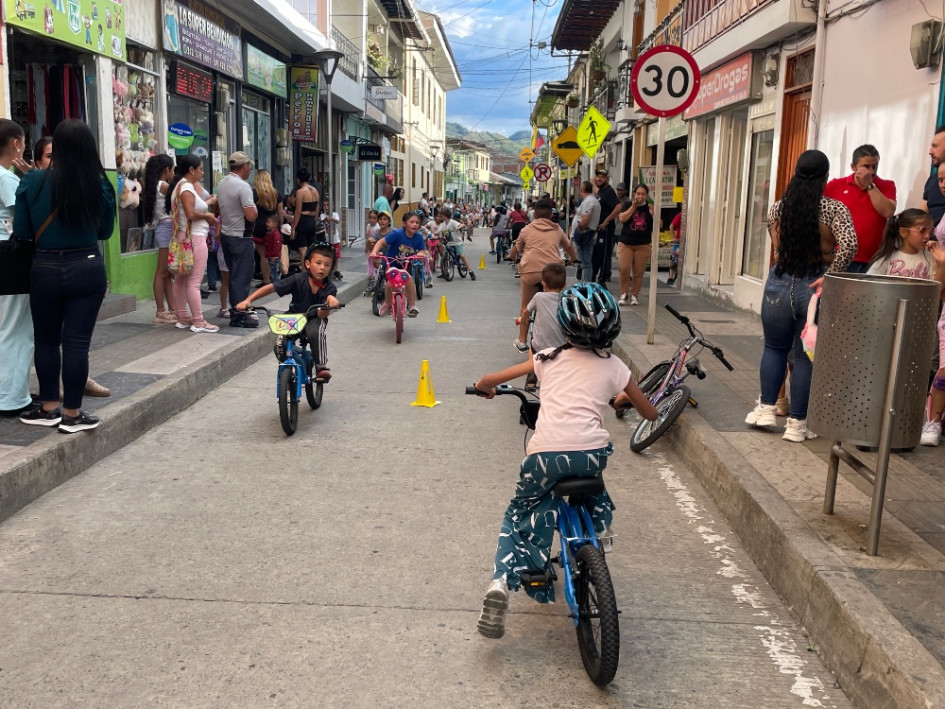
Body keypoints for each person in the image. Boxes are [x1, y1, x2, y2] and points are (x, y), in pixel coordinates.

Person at [471, 283, 658, 638]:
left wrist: (486, 387)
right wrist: (624, 398)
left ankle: (500, 583)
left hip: (545, 456)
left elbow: (489, 379)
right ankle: (599, 532)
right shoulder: (616, 366)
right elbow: (649, 412)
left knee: (521, 510)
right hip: (590, 457)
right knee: (592, 488)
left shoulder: (547, 358)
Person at [745, 149, 857, 443]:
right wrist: (829, 273)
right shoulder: (835, 210)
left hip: (780, 281)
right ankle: (797, 425)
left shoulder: (779, 208)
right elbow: (849, 245)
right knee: (806, 356)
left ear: (795, 173)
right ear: (826, 177)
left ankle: (767, 408)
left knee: (774, 348)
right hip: (815, 285)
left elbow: (777, 245)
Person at [15, 119, 116, 433]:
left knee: (45, 341)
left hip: (44, 268)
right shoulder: (99, 184)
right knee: (76, 343)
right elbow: (105, 230)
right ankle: (72, 414)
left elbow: (23, 231)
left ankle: (48, 409)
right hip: (87, 266)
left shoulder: (33, 181)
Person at [864, 210, 945, 445]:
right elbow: (871, 288)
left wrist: (940, 263)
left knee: (910, 382)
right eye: (921, 230)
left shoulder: (930, 258)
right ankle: (873, 428)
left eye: (930, 230)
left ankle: (902, 431)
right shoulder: (886, 259)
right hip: (887, 330)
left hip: (918, 331)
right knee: (883, 378)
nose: (927, 235)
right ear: (902, 232)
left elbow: (937, 291)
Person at [236, 242, 339, 381]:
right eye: (318, 263)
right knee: (280, 344)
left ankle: (320, 367)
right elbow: (271, 287)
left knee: (316, 332)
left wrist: (329, 304)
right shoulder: (297, 279)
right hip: (294, 316)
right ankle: (289, 363)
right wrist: (248, 300)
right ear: (308, 264)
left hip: (314, 318)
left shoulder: (329, 288)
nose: (322, 268)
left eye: (327, 265)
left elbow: (321, 314)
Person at [0, 119, 34, 418]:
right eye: (23, 142)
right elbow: (27, 214)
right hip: (9, 258)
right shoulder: (8, 180)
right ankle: (12, 398)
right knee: (16, 328)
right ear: (15, 144)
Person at [167, 154, 221, 332]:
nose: (203, 173)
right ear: (191, 170)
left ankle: (183, 317)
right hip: (194, 239)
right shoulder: (187, 187)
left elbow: (187, 212)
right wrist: (208, 216)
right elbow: (191, 213)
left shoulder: (179, 186)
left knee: (181, 279)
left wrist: (206, 205)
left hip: (183, 237)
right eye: (201, 169)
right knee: (194, 282)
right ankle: (198, 321)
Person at [823, 144, 896, 272]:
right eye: (866, 166)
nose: (871, 171)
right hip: (841, 259)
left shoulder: (887, 186)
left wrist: (870, 185)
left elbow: (888, 212)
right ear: (853, 167)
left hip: (874, 261)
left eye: (875, 166)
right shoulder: (835, 185)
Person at [508, 198, 578, 314]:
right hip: (552, 272)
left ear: (534, 215)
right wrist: (574, 259)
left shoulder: (526, 230)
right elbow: (569, 247)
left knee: (526, 307)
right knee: (557, 306)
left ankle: (522, 333)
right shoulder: (557, 230)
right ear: (551, 215)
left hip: (531, 272)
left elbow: (517, 248)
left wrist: (512, 257)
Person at [218, 152, 259, 328]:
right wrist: (256, 210)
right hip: (241, 237)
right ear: (245, 166)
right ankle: (239, 314)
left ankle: (237, 310)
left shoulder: (222, 183)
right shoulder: (242, 186)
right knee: (241, 277)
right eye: (249, 167)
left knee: (234, 276)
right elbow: (250, 215)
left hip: (226, 236)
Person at [369, 211, 428, 318]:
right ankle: (387, 303)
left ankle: (411, 305)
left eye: (417, 222)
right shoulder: (398, 234)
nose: (415, 224)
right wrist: (374, 252)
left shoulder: (419, 237)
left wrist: (420, 253)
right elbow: (381, 242)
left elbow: (422, 250)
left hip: (405, 264)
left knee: (409, 280)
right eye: (412, 222)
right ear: (404, 224)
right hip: (392, 263)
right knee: (389, 285)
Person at [143, 154, 177, 323]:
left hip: (164, 228)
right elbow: (178, 201)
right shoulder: (163, 185)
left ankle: (171, 308)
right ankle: (160, 311)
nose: (173, 173)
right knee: (162, 271)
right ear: (166, 170)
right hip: (166, 228)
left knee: (167, 273)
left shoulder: (155, 185)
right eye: (173, 169)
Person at [616, 184, 655, 306]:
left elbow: (658, 225)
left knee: (639, 271)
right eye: (638, 193)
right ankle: (624, 293)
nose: (640, 196)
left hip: (643, 244)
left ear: (647, 196)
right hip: (626, 243)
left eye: (643, 194)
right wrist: (633, 207)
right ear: (634, 194)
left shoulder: (650, 207)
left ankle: (634, 295)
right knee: (624, 268)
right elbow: (622, 218)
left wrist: (653, 213)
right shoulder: (628, 204)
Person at [252, 169, 284, 286]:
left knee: (263, 255)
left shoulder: (255, 193)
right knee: (272, 253)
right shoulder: (276, 193)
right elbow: (280, 212)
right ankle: (273, 275)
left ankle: (266, 280)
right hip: (273, 225)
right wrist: (279, 227)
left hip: (259, 225)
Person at [593, 169, 622, 284]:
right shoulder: (601, 191)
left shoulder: (609, 192)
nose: (599, 179)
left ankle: (602, 279)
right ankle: (595, 276)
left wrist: (606, 221)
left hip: (606, 229)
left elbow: (618, 207)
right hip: (598, 229)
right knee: (597, 253)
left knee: (604, 254)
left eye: (602, 177)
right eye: (598, 176)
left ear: (607, 179)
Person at [434, 208, 476, 280]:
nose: (441, 217)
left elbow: (462, 225)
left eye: (442, 216)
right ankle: (445, 271)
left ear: (445, 216)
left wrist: (458, 227)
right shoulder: (443, 224)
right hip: (449, 243)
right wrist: (434, 234)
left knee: (462, 255)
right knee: (445, 256)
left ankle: (470, 271)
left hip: (457, 242)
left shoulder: (452, 222)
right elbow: (438, 231)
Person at [289, 168, 320, 265]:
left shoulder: (300, 192)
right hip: (312, 220)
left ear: (298, 179)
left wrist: (293, 228)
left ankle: (304, 273)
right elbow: (317, 209)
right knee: (312, 250)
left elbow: (298, 211)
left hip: (303, 221)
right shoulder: (315, 191)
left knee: (303, 250)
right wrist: (314, 221)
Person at [573, 180, 601, 282]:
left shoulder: (588, 201)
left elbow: (585, 220)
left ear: (581, 190)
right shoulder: (592, 200)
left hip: (584, 236)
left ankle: (585, 284)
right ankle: (583, 282)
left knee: (585, 262)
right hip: (588, 235)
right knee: (584, 261)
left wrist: (577, 231)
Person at [921, 126, 945, 226]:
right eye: (941, 180)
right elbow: (921, 214)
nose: (930, 151)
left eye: (935, 146)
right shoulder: (932, 180)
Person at [253, 215, 284, 285]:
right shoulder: (269, 234)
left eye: (268, 222)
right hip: (270, 255)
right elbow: (262, 241)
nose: (266, 224)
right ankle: (275, 283)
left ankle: (276, 285)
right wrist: (254, 239)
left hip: (273, 256)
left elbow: (277, 246)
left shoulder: (275, 235)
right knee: (273, 270)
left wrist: (274, 255)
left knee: (274, 271)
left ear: (274, 224)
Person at [320, 198, 343, 281]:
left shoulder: (335, 214)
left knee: (336, 256)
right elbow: (320, 221)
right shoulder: (322, 215)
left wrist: (331, 219)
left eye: (328, 205)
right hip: (326, 239)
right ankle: (328, 270)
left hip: (335, 239)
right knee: (327, 255)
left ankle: (335, 270)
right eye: (324, 205)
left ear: (332, 206)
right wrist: (325, 219)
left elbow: (337, 221)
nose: (326, 207)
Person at [667, 211, 681, 286]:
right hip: (678, 241)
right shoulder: (680, 215)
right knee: (674, 259)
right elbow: (671, 226)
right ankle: (670, 277)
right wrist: (673, 237)